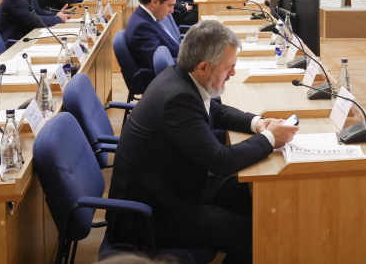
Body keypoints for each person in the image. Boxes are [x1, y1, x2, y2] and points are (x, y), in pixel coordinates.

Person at [106, 20, 297, 263]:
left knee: (250, 197)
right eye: (229, 67)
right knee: (256, 235)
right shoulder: (177, 100)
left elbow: (214, 111)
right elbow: (221, 161)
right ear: (204, 67)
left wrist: (258, 123)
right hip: (152, 214)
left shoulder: (179, 76)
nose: (233, 73)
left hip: (174, 184)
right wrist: (270, 138)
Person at [126, 0, 184, 71]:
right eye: (169, 5)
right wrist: (192, 63)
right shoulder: (141, 28)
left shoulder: (149, 16)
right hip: (171, 77)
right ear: (154, 2)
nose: (172, 11)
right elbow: (160, 63)